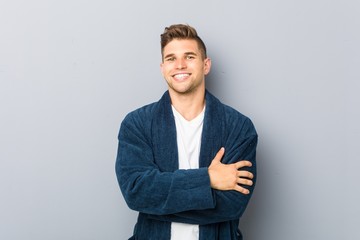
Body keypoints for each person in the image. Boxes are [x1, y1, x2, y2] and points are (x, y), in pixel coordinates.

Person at [115, 24, 258, 240]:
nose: (180, 65)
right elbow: (137, 193)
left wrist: (160, 202)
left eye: (189, 57)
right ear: (163, 68)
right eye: (171, 58)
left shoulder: (238, 127)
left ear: (205, 65)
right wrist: (208, 179)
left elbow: (232, 205)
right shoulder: (137, 124)